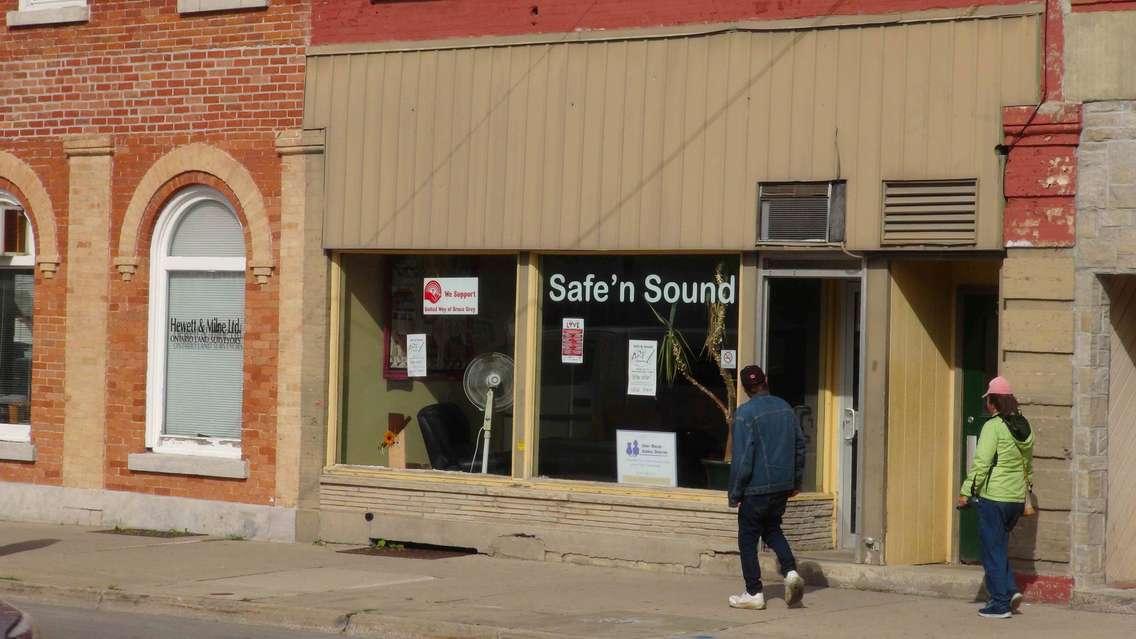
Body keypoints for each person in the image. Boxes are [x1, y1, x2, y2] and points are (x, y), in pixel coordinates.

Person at [727, 365, 806, 610]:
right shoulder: (785, 408)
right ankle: (791, 571)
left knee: (747, 539)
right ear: (766, 381)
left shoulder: (744, 414)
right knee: (772, 529)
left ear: (743, 388)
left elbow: (742, 459)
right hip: (781, 486)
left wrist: (735, 493)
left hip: (755, 489)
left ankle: (753, 592)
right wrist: (795, 482)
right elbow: (800, 447)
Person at [958, 376, 1034, 619]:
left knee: (991, 550)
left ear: (994, 402)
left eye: (989, 400)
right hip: (1015, 498)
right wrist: (1026, 488)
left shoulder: (993, 426)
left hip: (995, 497)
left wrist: (966, 490)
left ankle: (1000, 604)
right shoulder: (1024, 426)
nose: (987, 405)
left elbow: (981, 463)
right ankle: (1010, 590)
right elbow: (1028, 464)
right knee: (998, 547)